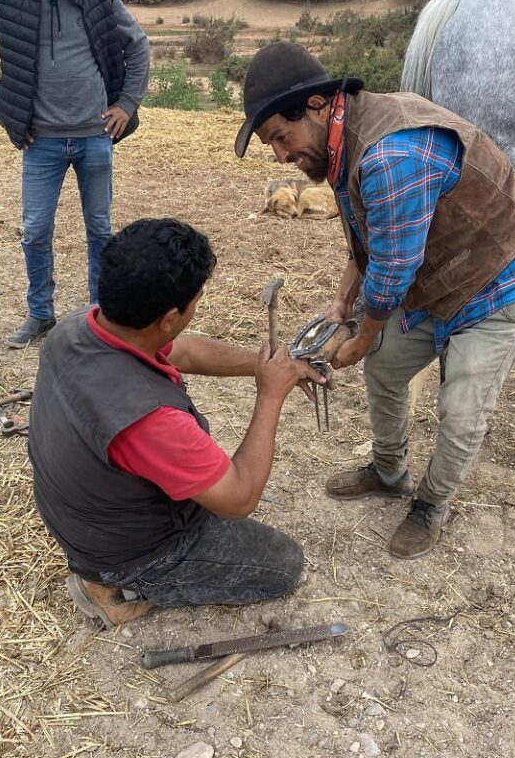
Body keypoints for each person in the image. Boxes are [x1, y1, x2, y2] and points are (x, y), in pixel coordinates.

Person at [235, 42, 515, 559]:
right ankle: (389, 471)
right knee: (386, 369)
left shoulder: (389, 155)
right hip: (438, 272)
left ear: (318, 106)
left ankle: (431, 504)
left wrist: (362, 335)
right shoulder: (341, 143)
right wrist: (341, 304)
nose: (280, 155)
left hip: (500, 279)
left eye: (281, 136)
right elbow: (368, 244)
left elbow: (392, 271)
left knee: (461, 408)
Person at [28, 217, 325, 627]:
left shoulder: (81, 327)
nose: (197, 305)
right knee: (283, 565)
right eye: (197, 298)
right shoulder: (149, 421)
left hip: (82, 519)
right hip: (124, 552)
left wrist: (267, 367)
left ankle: (107, 571)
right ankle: (120, 589)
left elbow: (182, 350)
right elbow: (240, 499)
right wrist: (271, 395)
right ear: (167, 317)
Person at [0, 0, 151, 348]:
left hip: (95, 137)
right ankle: (41, 314)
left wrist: (126, 103)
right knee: (36, 230)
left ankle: (100, 319)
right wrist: (0, 109)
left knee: (100, 230)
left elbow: (138, 46)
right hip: (39, 140)